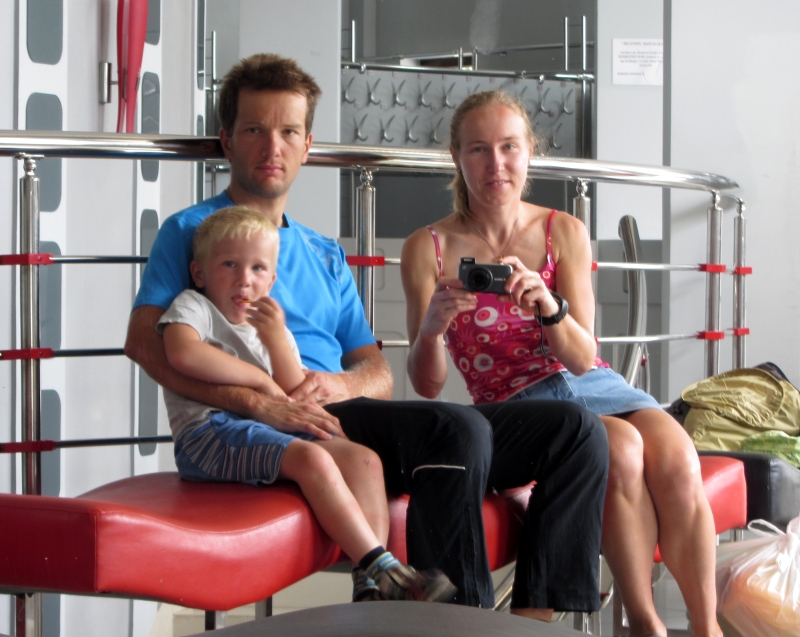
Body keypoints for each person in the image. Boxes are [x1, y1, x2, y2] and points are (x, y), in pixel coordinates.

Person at [124, 53, 606, 613]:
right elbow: (146, 345)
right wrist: (259, 403)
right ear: (227, 141)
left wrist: (339, 384)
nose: (272, 147)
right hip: (278, 424)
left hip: (343, 411)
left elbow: (376, 374)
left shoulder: (324, 252)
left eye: (288, 132)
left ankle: (530, 622)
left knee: (575, 429)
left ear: (308, 145)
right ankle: (458, 626)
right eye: (254, 130)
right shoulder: (193, 232)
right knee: (456, 429)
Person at [401, 89, 722, 637]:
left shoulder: (563, 230)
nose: (496, 164)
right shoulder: (427, 246)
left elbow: (581, 358)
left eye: (509, 147)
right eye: (479, 149)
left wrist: (549, 307)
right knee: (621, 449)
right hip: (515, 405)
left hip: (592, 383)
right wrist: (431, 329)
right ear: (456, 156)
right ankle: (646, 624)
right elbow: (427, 385)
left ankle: (707, 628)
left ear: (530, 152)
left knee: (676, 456)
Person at [157, 206, 454, 602]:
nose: (244, 279)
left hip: (265, 429)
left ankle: (370, 586)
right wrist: (259, 380)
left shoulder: (271, 328)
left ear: (272, 280)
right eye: (229, 265)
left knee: (365, 460)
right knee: (312, 459)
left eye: (258, 269)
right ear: (199, 273)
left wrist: (276, 340)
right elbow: (182, 353)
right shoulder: (196, 307)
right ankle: (385, 569)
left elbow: (292, 388)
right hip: (209, 434)